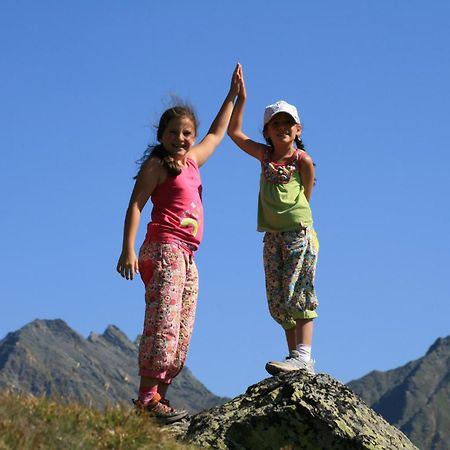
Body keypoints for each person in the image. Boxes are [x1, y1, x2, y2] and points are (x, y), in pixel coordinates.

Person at [116, 64, 240, 423]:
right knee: (163, 323)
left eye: (187, 133)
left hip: (188, 256)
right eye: (174, 133)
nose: (182, 139)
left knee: (182, 330)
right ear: (162, 134)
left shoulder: (192, 162)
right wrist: (128, 248)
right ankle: (145, 399)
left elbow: (217, 134)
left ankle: (160, 400)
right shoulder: (159, 165)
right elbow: (136, 204)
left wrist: (232, 96)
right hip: (165, 249)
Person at [227, 65, 319, 375]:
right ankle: (294, 357)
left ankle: (304, 357)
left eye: (288, 123)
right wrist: (240, 98)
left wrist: (297, 222)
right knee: (279, 297)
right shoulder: (264, 155)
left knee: (300, 291)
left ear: (298, 130)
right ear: (266, 130)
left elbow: (307, 192)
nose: (282, 127)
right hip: (273, 236)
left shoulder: (301, 160)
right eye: (275, 123)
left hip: (298, 232)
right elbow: (234, 133)